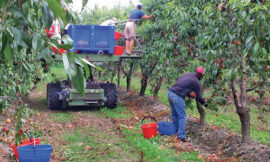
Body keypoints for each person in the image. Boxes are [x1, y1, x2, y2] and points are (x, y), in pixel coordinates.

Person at [168, 67, 208, 142]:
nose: (202, 78)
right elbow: (199, 97)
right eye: (202, 76)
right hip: (177, 96)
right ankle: (182, 137)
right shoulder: (196, 82)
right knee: (182, 117)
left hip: (170, 93)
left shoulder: (187, 74)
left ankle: (176, 132)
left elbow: (182, 85)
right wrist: (206, 104)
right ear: (200, 75)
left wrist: (189, 95)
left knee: (175, 115)